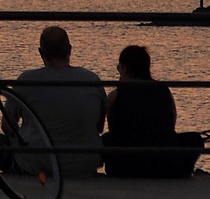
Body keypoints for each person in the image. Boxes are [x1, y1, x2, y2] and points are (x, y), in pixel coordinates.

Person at [11, 26, 106, 176]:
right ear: (70, 50)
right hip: (84, 165)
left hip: (37, 165)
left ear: (41, 53)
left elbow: (7, 125)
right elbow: (99, 127)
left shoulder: (26, 80)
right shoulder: (91, 79)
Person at [102, 45, 196, 177]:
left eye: (119, 68)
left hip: (124, 165)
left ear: (124, 68)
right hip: (164, 161)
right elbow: (171, 123)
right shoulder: (164, 91)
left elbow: (114, 129)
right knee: (194, 139)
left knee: (105, 139)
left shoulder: (115, 95)